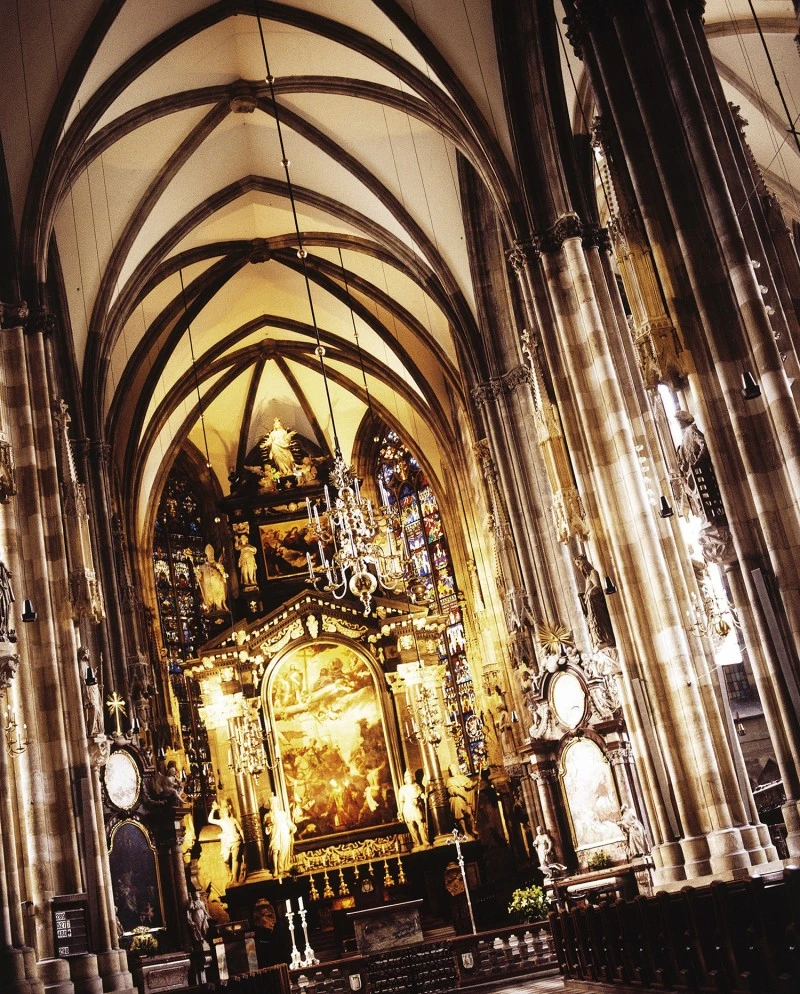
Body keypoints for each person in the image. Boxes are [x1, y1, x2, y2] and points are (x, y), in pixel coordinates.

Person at [575, 554, 615, 650]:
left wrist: (589, 593)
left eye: (579, 564)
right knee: (595, 622)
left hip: (596, 604)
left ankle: (607, 639)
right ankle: (600, 640)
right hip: (591, 604)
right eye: (578, 565)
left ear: (584, 563)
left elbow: (597, 586)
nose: (579, 567)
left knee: (601, 621)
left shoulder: (593, 572)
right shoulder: (587, 577)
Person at [209, 799, 245, 887]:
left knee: (235, 859)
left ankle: (234, 879)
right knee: (226, 859)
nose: (224, 810)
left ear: (229, 809)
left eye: (226, 808)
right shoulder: (221, 821)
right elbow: (210, 820)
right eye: (223, 808)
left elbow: (240, 830)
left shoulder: (233, 820)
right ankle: (230, 874)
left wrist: (243, 839)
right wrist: (213, 809)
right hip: (226, 841)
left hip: (235, 840)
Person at [264, 795, 296, 878]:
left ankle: (281, 868)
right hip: (275, 834)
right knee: (275, 850)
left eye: (275, 804)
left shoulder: (283, 814)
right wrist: (268, 825)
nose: (273, 806)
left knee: (283, 852)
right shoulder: (268, 815)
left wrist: (292, 827)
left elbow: (288, 823)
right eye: (272, 804)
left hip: (284, 833)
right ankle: (275, 869)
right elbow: (267, 826)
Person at [397, 769, 428, 849]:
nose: (409, 778)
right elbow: (401, 801)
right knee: (412, 826)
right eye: (407, 777)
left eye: (410, 776)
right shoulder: (402, 789)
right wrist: (400, 812)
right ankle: (417, 843)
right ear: (405, 779)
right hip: (407, 808)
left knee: (420, 824)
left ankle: (425, 841)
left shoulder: (416, 786)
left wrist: (424, 797)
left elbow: (421, 794)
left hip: (416, 807)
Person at [196, 545, 229, 613]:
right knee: (211, 601)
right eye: (210, 554)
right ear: (207, 556)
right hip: (209, 589)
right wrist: (198, 576)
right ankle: (212, 607)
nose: (211, 556)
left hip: (218, 588)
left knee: (219, 602)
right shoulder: (203, 567)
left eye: (212, 554)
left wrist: (222, 571)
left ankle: (220, 607)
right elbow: (200, 579)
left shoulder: (218, 565)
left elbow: (224, 576)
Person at [446, 764, 476, 837]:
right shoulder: (450, 781)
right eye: (451, 770)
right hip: (457, 799)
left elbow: (469, 785)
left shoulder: (463, 778)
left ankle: (473, 829)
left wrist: (477, 780)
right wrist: (464, 796)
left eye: (453, 769)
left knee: (469, 814)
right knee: (460, 817)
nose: (452, 771)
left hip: (465, 799)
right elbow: (453, 790)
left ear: (456, 769)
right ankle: (465, 832)